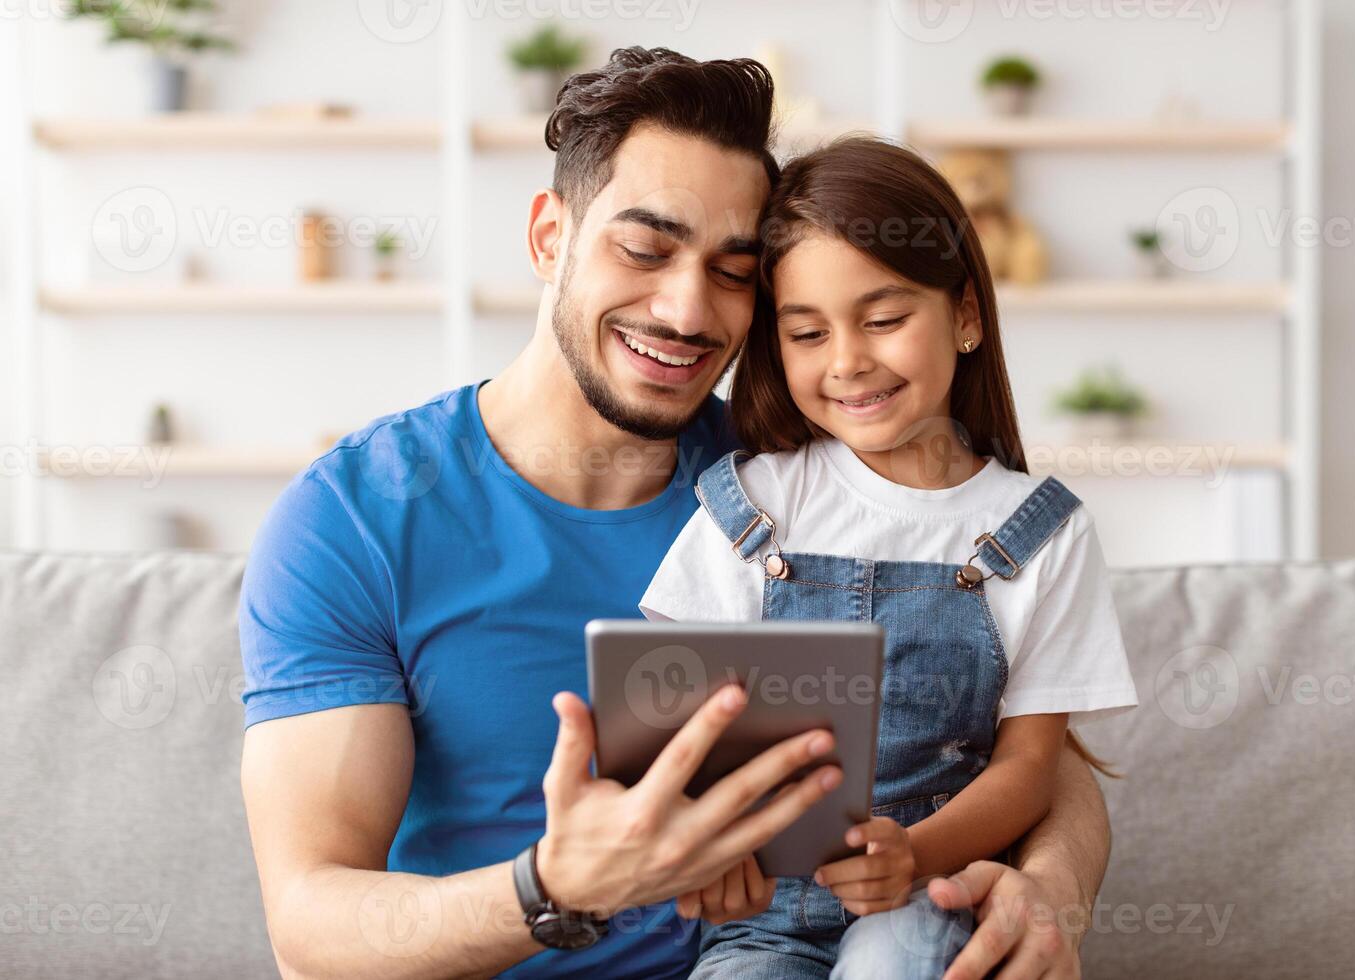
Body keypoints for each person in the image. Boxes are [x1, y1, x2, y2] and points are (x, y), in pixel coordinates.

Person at [238, 48, 1116, 980]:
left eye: (733, 270)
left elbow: (1038, 751)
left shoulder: (793, 482)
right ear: (549, 237)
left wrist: (1051, 890)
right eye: (645, 249)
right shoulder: (358, 520)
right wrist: (553, 888)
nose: (687, 309)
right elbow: (310, 922)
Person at [639, 137, 1138, 978]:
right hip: (764, 916)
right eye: (806, 332)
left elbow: (1028, 773)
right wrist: (703, 843)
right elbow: (670, 711)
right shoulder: (756, 501)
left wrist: (911, 852)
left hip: (929, 890)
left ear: (967, 316)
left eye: (884, 319)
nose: (848, 362)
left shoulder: (1042, 531)